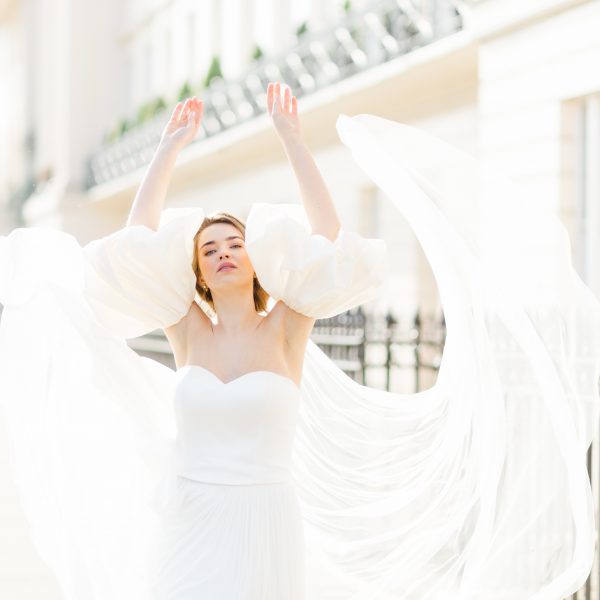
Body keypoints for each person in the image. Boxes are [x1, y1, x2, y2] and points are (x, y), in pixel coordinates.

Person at [0, 81, 599, 600]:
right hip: (189, 517)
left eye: (234, 243)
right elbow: (136, 243)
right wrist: (167, 150)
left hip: (263, 521)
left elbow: (327, 237)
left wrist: (292, 137)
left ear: (256, 259)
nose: (224, 253)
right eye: (209, 250)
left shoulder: (288, 322)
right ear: (198, 273)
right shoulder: (184, 326)